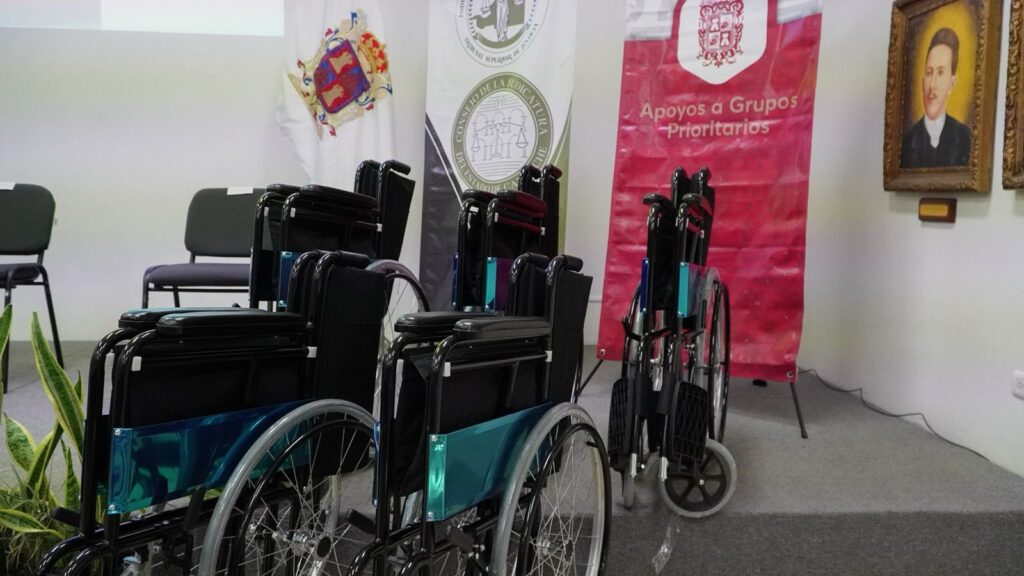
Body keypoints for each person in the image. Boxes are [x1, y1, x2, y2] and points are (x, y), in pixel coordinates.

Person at [901, 27, 971, 168]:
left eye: (940, 73)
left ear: (952, 83)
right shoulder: (906, 142)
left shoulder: (966, 138)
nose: (932, 85)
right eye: (929, 72)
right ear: (922, 81)